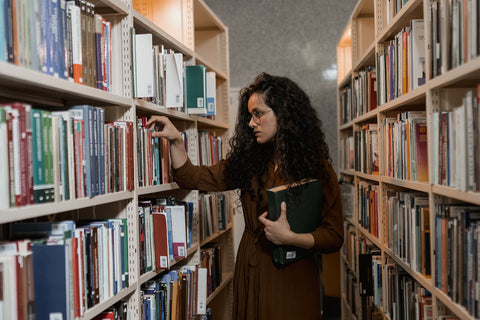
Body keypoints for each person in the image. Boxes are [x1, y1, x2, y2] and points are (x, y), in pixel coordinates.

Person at [146, 72, 344, 320]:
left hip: (294, 274)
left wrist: (291, 237)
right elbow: (192, 178)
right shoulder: (248, 162)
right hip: (252, 263)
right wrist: (176, 141)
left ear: (283, 113)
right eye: (249, 116)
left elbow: (334, 236)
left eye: (258, 114)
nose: (251, 123)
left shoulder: (317, 168)